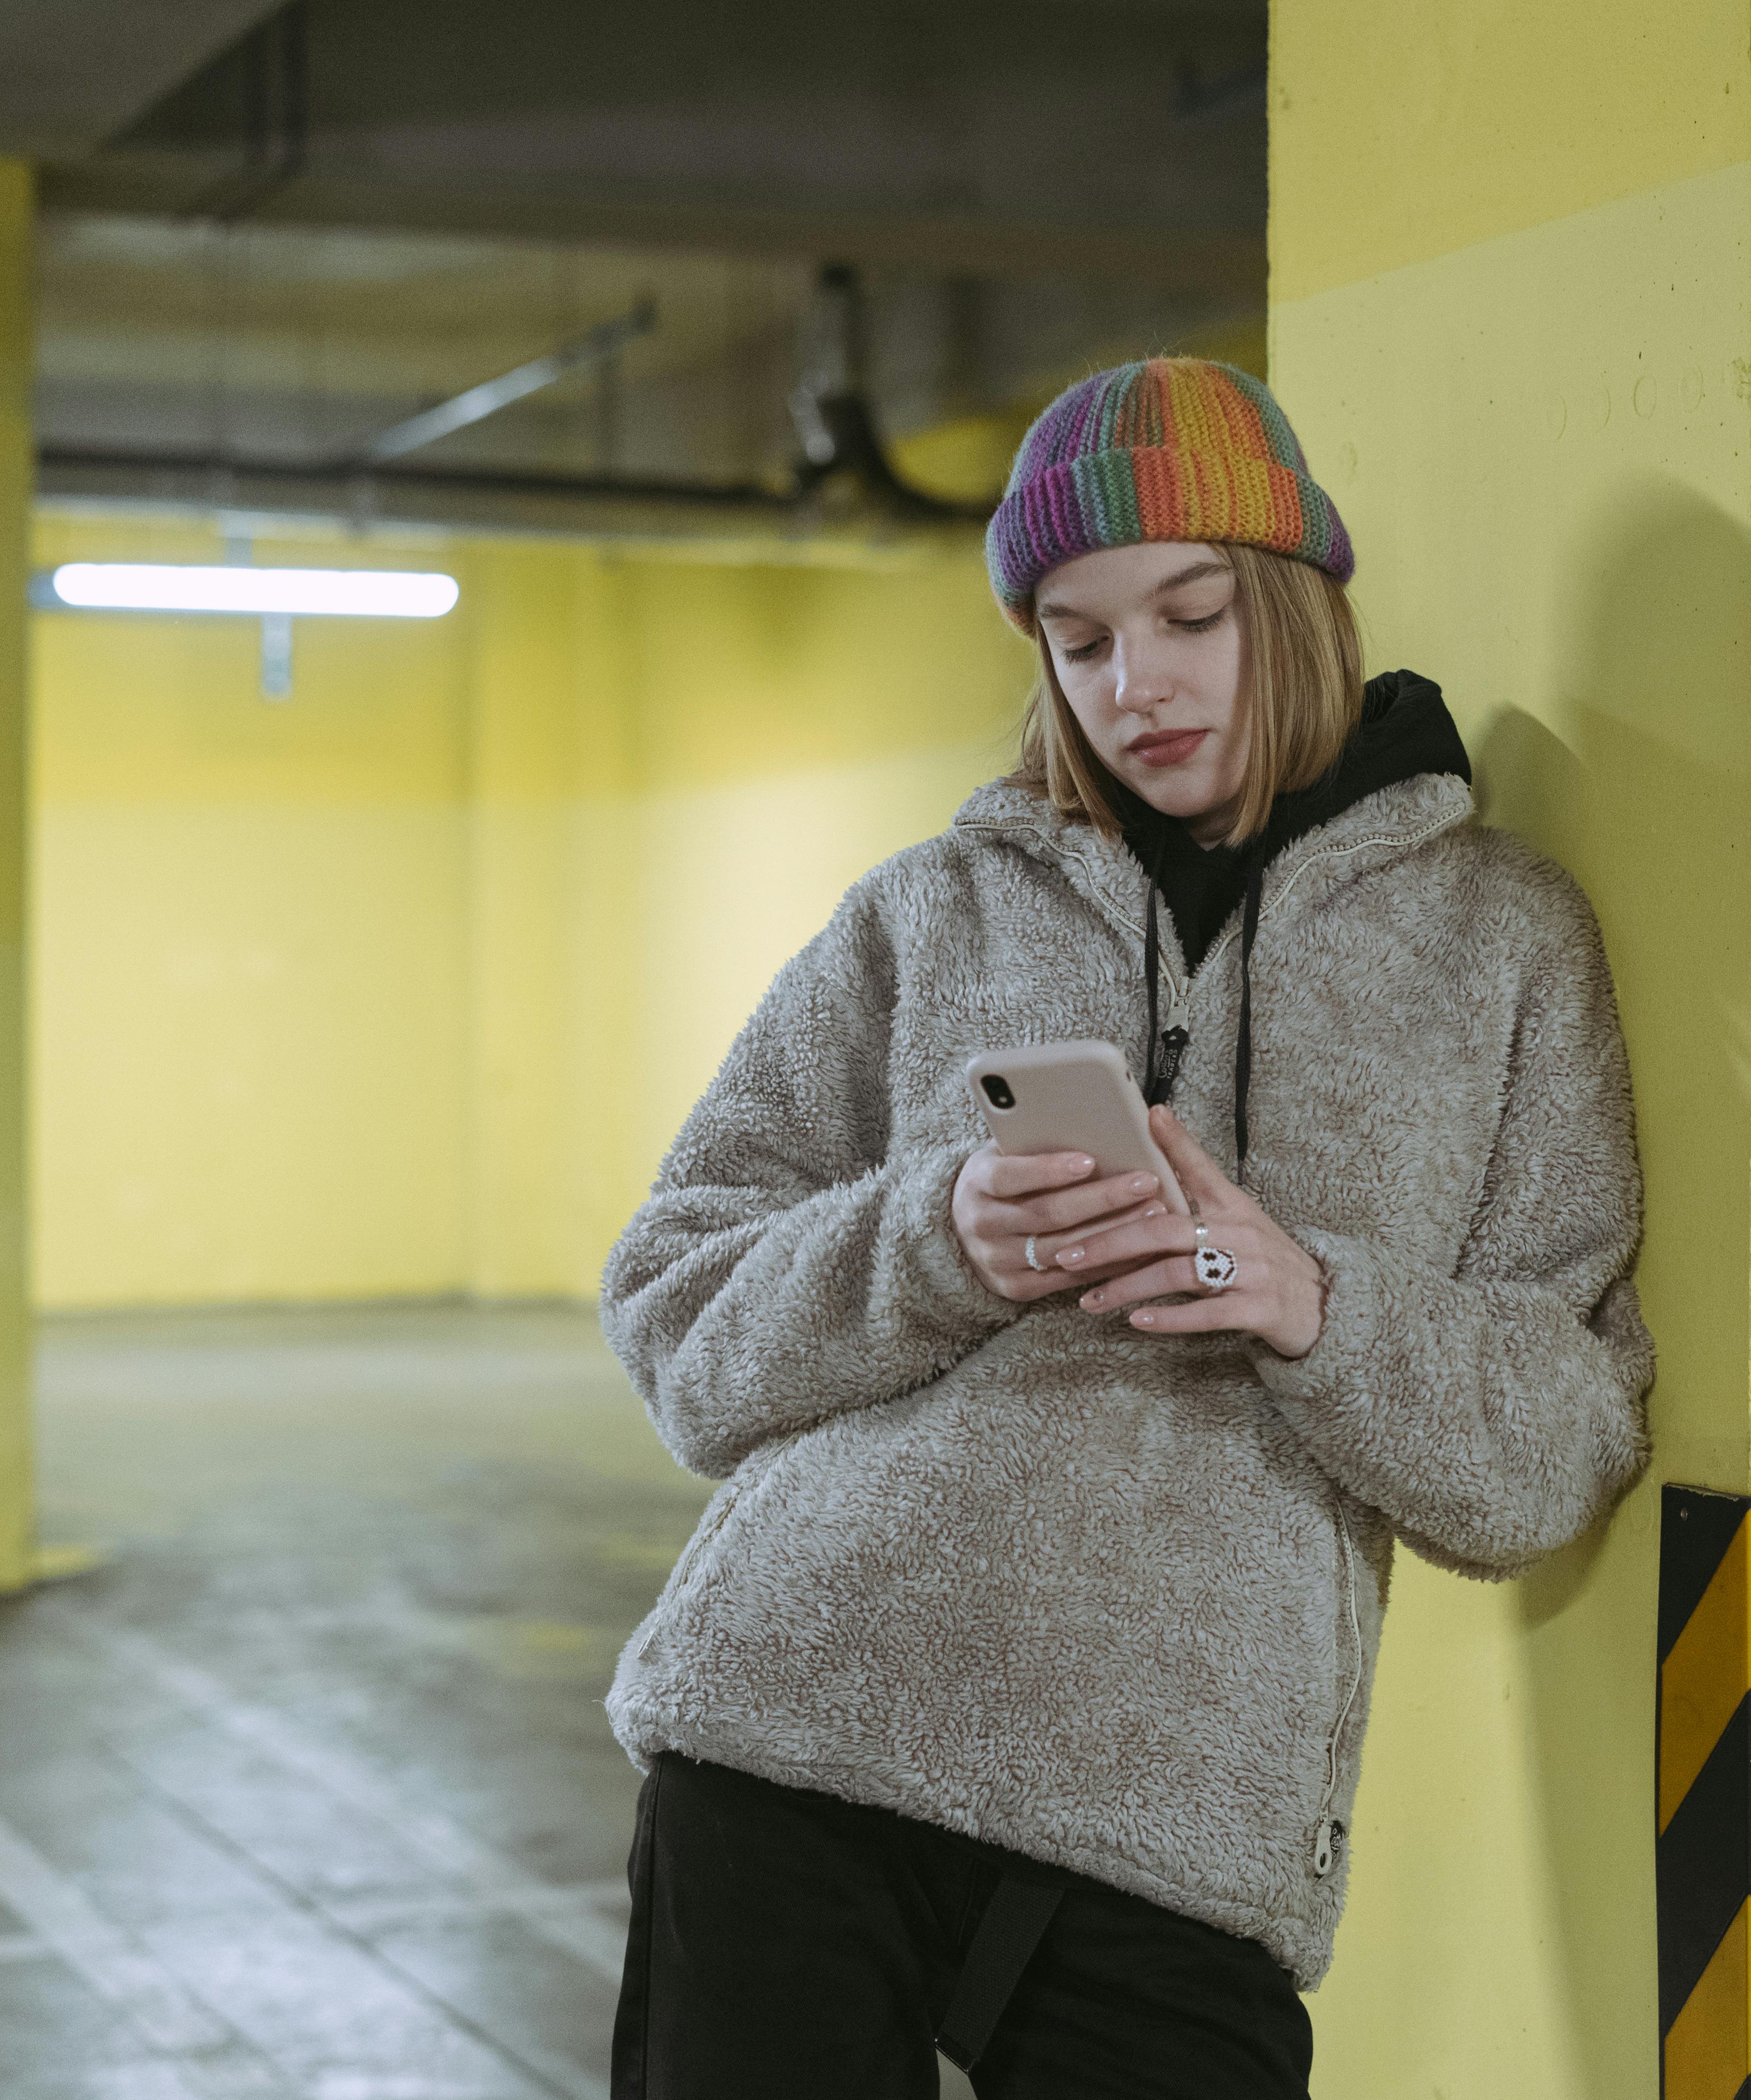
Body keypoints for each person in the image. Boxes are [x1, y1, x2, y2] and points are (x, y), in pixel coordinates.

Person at [599, 356, 1652, 2098]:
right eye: (1078, 642)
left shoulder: (1504, 942)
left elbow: (1555, 1448)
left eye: (1188, 617)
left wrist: (1304, 1298)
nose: (1133, 686)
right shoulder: (929, 912)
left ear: (1295, 605)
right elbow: (675, 1320)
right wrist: (941, 1238)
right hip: (792, 1729)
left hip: (1179, 1815)